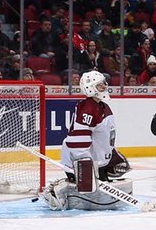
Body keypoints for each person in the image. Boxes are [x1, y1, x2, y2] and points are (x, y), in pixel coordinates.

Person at [46, 71, 131, 211]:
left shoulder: (102, 106)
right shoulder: (88, 108)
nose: (105, 85)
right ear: (91, 88)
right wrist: (86, 169)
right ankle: (58, 191)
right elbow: (77, 142)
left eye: (104, 82)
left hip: (98, 162)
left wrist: (112, 155)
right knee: (92, 196)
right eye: (100, 84)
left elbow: (105, 138)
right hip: (83, 163)